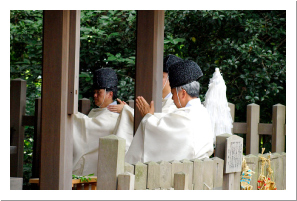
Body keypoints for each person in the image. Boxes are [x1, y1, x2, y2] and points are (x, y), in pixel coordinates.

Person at [125, 59, 214, 164]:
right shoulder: (203, 112)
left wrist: (147, 118)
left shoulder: (184, 118)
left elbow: (161, 132)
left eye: (173, 94)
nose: (172, 98)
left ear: (183, 94)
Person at [106, 55, 181, 153]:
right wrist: (128, 109)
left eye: (162, 77)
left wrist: (127, 110)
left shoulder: (174, 104)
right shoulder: (159, 99)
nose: (157, 79)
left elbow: (158, 123)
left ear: (171, 80)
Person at [72, 68, 120, 176]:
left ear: (110, 94)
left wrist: (72, 115)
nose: (95, 95)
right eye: (94, 92)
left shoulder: (116, 115)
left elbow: (89, 128)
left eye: (99, 92)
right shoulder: (94, 112)